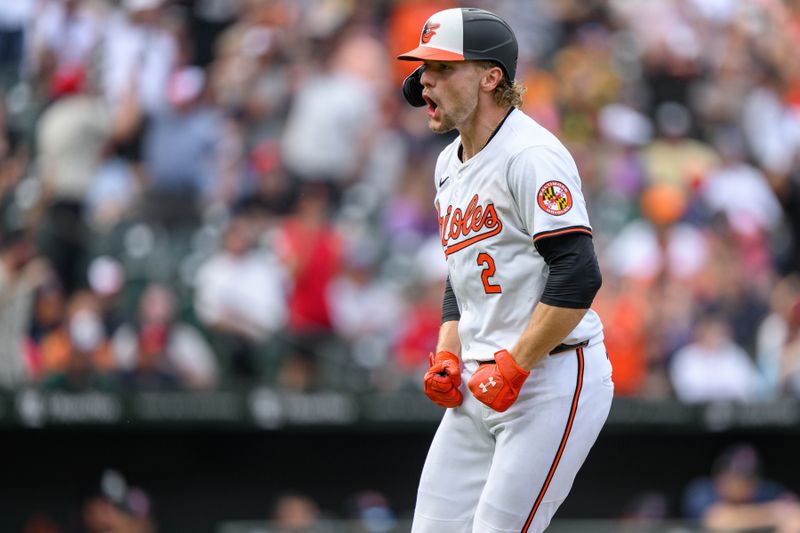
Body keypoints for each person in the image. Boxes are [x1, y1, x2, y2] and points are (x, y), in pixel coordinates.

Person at [396, 8, 614, 532]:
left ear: (491, 76)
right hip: (482, 379)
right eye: (424, 68)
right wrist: (449, 349)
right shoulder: (448, 162)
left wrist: (515, 364)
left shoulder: (532, 154)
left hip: (552, 377)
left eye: (444, 68)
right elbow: (463, 269)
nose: (425, 79)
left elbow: (578, 275)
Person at [683, 444, 800, 532]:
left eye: (747, 479)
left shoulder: (767, 491)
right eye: (734, 477)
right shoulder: (701, 490)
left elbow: (796, 514)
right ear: (720, 477)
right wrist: (773, 513)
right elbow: (717, 519)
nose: (739, 485)